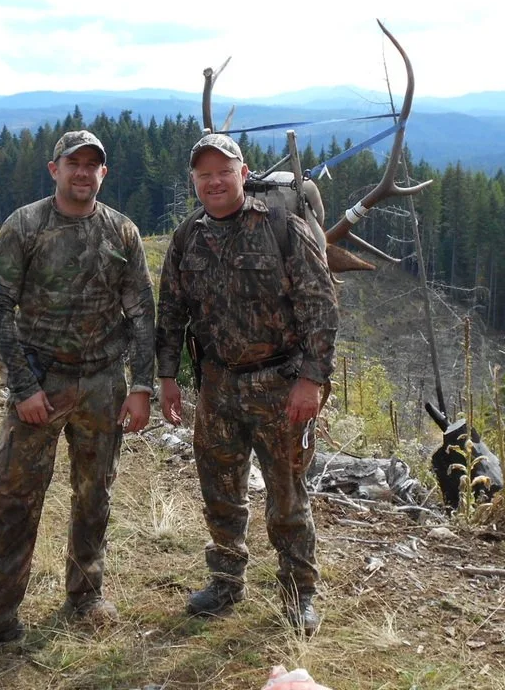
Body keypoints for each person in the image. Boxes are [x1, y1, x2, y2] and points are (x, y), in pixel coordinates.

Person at [0, 130, 156, 664]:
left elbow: (141, 314)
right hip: (40, 382)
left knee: (95, 496)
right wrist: (23, 388)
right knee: (13, 500)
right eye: (74, 164)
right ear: (54, 169)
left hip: (104, 383)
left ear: (103, 174)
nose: (83, 173)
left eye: (93, 165)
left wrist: (140, 386)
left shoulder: (121, 232)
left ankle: (86, 597)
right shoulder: (26, 226)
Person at [156, 133, 338, 636]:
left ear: (243, 171)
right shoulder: (187, 236)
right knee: (219, 490)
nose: (214, 181)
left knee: (287, 495)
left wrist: (311, 380)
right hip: (216, 387)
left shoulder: (283, 228)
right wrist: (168, 378)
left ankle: (299, 593)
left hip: (281, 387)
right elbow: (170, 312)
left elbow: (321, 309)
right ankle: (225, 581)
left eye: (223, 171)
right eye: (203, 174)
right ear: (194, 180)